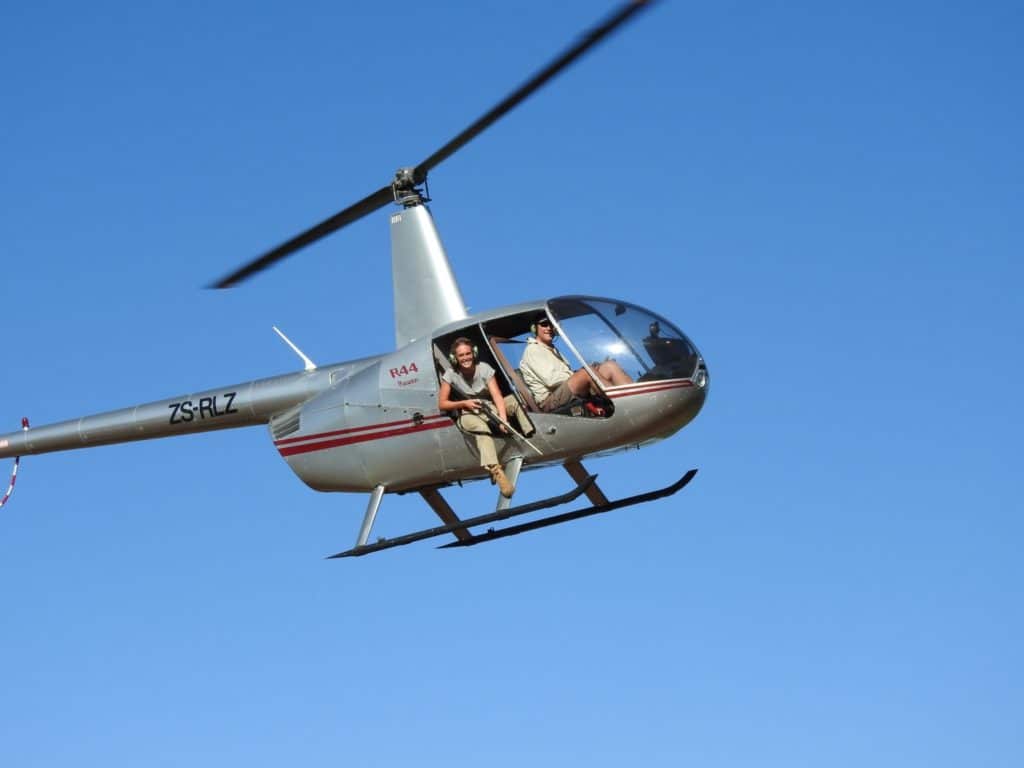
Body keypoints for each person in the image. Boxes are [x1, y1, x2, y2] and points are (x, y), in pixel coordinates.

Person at [438, 337, 533, 498]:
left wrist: (503, 419)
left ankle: (530, 436)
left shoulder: (484, 369)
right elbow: (443, 404)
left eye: (468, 354)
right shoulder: (450, 375)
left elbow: (497, 395)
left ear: (474, 353)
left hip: (489, 407)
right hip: (467, 413)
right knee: (480, 429)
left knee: (513, 401)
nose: (466, 358)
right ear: (455, 358)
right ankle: (496, 470)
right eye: (461, 355)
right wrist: (464, 403)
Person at [519, 313, 632, 413]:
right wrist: (582, 373)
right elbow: (552, 380)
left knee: (609, 366)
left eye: (551, 325)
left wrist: (592, 370)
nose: (549, 328)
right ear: (534, 329)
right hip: (548, 402)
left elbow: (566, 376)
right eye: (544, 324)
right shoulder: (533, 350)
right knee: (586, 372)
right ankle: (625, 405)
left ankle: (636, 399)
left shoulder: (551, 349)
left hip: (562, 393)